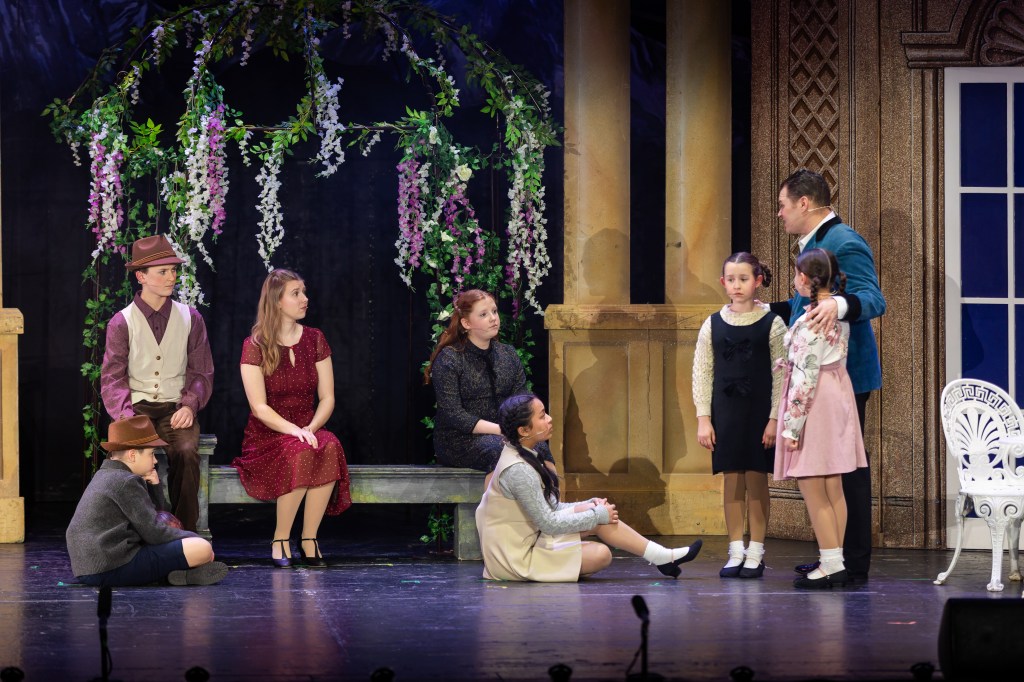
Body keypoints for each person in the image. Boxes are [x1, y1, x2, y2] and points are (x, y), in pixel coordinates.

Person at [771, 169, 885, 581]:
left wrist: (838, 305)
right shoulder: (815, 243)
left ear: (804, 203)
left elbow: (873, 298)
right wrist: (759, 312)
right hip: (816, 377)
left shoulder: (843, 241)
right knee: (829, 473)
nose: (779, 214)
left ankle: (850, 562)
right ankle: (832, 557)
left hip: (837, 376)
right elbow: (801, 306)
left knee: (845, 471)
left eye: (783, 205)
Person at [475, 394, 703, 582]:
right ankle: (663, 557)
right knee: (601, 553)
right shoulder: (518, 470)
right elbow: (548, 522)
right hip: (515, 559)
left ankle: (663, 557)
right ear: (524, 430)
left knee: (600, 515)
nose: (550, 419)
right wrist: (595, 515)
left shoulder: (524, 455)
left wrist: (588, 506)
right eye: (542, 416)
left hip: (531, 539)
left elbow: (550, 508)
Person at [232, 269, 351, 568]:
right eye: (296, 293)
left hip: (308, 426)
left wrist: (310, 427)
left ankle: (309, 538)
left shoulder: (315, 338)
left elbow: (328, 397)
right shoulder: (255, 345)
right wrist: (295, 431)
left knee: (329, 445)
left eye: (304, 292)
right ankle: (280, 538)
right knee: (301, 451)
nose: (305, 299)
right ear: (276, 301)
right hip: (269, 434)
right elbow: (259, 407)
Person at [100, 234, 214, 532]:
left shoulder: (191, 318)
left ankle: (184, 533)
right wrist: (126, 417)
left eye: (173, 270)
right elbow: (112, 377)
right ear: (141, 276)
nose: (171, 277)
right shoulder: (122, 322)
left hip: (174, 406)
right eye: (162, 271)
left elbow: (201, 371)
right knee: (130, 455)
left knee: (186, 450)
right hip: (136, 408)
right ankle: (138, 530)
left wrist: (189, 405)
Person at [774, 249, 868, 589]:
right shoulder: (835, 313)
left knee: (813, 483)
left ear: (805, 278)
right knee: (833, 485)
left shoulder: (813, 319)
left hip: (816, 402)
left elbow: (805, 378)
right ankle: (835, 560)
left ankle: (830, 563)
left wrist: (791, 427)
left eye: (796, 274)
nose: (794, 280)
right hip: (836, 393)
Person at [693, 252, 787, 579]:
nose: (737, 285)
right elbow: (702, 372)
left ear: (757, 281)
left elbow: (782, 374)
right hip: (726, 411)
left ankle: (756, 551)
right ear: (723, 282)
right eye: (731, 279)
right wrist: (704, 418)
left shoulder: (773, 323)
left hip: (759, 412)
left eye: (744, 279)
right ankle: (736, 550)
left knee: (756, 479)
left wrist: (774, 418)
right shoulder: (713, 323)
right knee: (732, 480)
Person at [66, 416, 228, 587]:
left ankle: (179, 576)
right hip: (110, 567)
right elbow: (154, 533)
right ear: (132, 455)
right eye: (151, 454)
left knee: (188, 546)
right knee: (202, 548)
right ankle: (178, 572)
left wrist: (155, 486)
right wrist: (194, 538)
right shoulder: (125, 481)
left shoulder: (107, 474)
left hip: (91, 569)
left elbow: (156, 517)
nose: (155, 460)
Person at [424, 289, 555, 473]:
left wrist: (523, 428)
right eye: (483, 314)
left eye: (494, 311)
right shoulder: (450, 359)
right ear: (466, 323)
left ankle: (552, 492)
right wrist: (502, 430)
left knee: (539, 446)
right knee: (501, 449)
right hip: (460, 439)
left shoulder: (507, 354)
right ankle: (500, 493)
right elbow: (454, 414)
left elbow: (522, 400)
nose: (493, 318)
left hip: (506, 433)